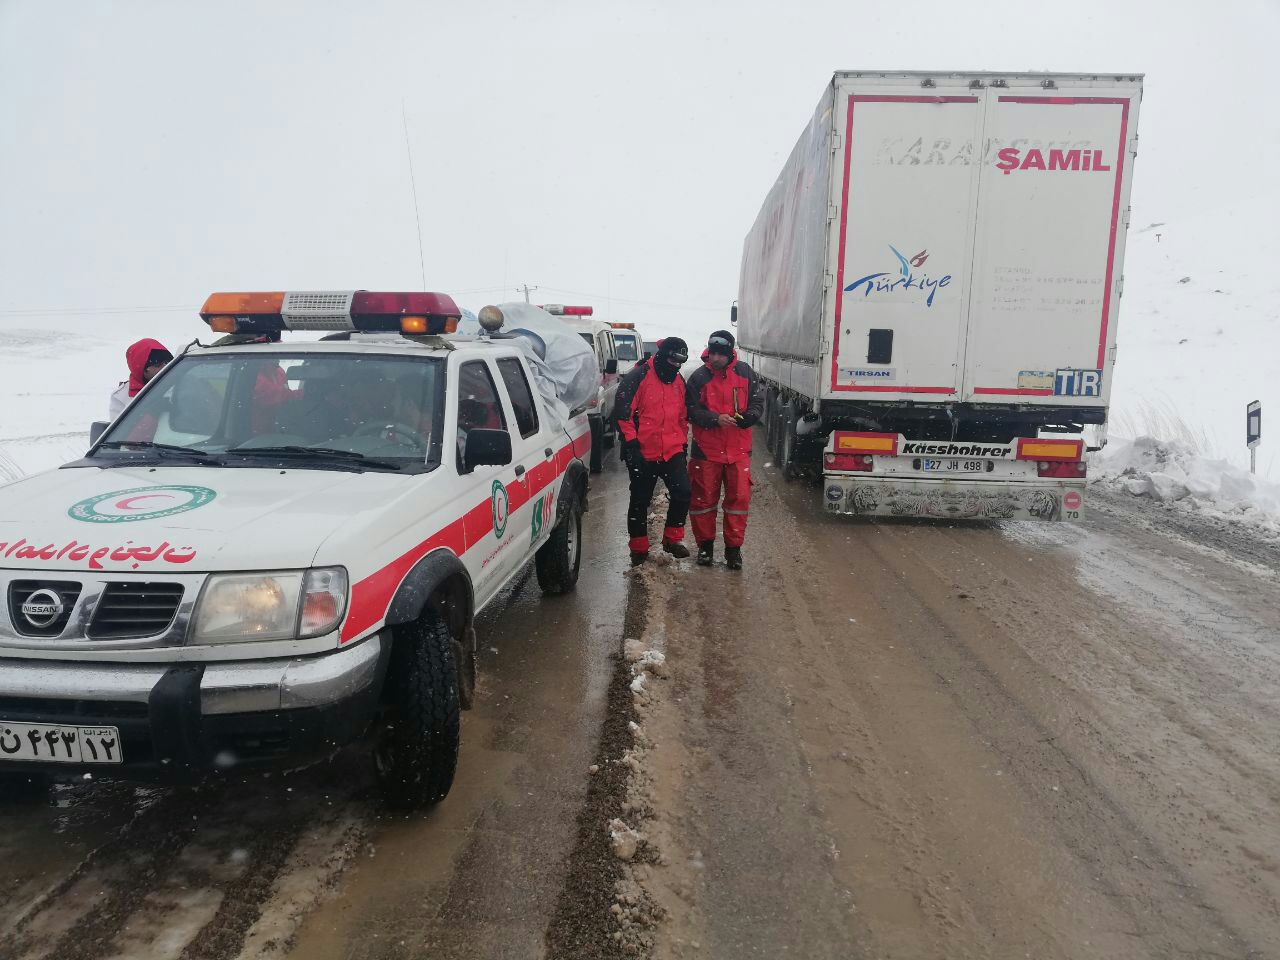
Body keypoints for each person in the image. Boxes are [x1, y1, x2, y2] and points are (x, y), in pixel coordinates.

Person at [685, 330, 763, 570]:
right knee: (703, 502)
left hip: (738, 451)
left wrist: (749, 417)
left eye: (720, 354)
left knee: (738, 503)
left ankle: (733, 551)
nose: (715, 358)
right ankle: (705, 548)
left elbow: (758, 403)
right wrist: (714, 419)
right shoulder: (698, 378)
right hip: (706, 451)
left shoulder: (746, 374)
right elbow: (691, 410)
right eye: (713, 353)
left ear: (730, 354)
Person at [614, 337, 692, 565]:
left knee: (683, 493)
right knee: (640, 501)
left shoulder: (678, 381)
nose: (677, 366)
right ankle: (638, 549)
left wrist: (682, 445)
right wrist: (631, 444)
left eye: (681, 362)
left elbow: (681, 416)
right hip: (642, 452)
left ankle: (672, 539)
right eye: (674, 360)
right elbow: (622, 414)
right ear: (663, 355)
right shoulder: (638, 377)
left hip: (672, 451)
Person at [108, 339, 172, 419]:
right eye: (157, 365)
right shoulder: (121, 396)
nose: (164, 367)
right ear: (143, 369)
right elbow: (121, 430)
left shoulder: (180, 386)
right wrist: (147, 412)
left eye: (167, 362)